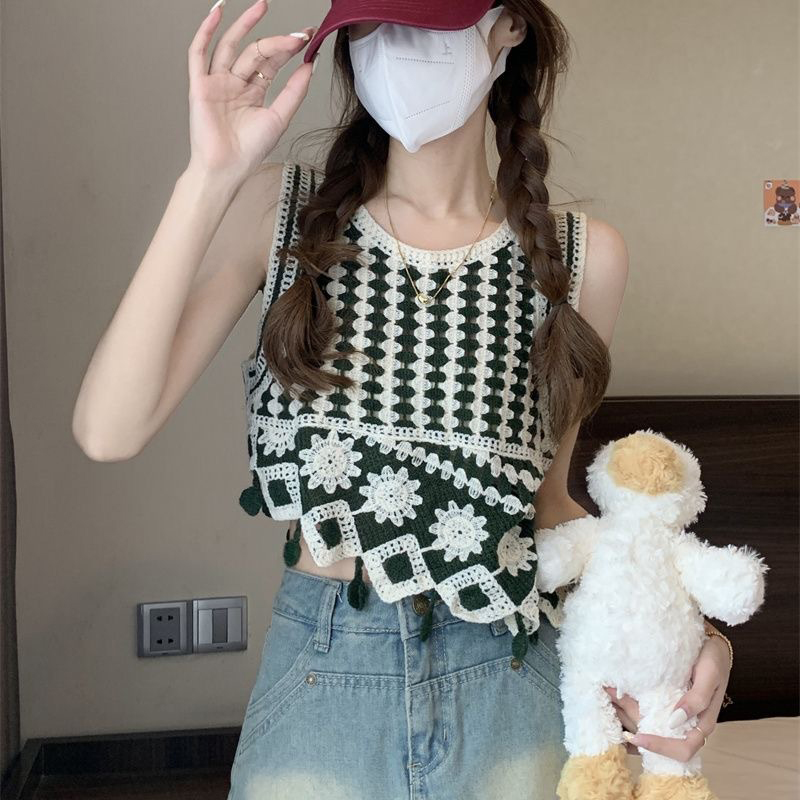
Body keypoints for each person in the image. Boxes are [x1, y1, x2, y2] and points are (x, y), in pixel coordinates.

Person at [72, 1, 733, 798]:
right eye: (370, 24)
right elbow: (108, 431)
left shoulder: (583, 257)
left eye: (424, 18)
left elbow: (547, 505)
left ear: (508, 27)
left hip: (511, 681)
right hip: (323, 683)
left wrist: (686, 630)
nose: (394, 48)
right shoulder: (282, 213)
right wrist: (207, 176)